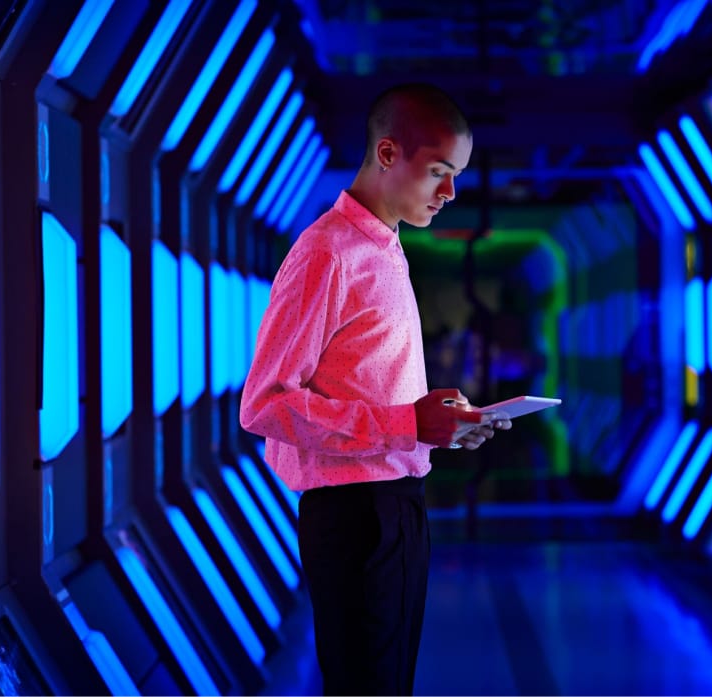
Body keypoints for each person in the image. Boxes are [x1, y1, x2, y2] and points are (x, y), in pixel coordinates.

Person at [239, 83, 512, 695]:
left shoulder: (386, 248)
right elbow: (265, 404)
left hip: (398, 502)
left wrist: (443, 425)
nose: (449, 193)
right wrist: (409, 426)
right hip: (354, 516)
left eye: (456, 175)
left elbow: (375, 389)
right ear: (388, 154)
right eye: (439, 172)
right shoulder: (326, 255)